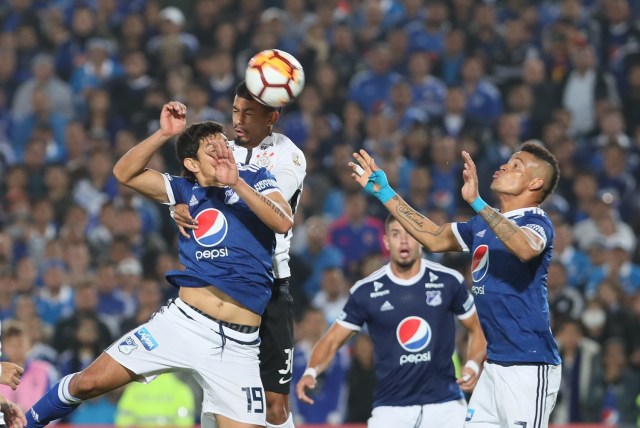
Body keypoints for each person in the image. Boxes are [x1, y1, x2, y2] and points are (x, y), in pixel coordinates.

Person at [25, 102, 294, 428]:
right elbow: (124, 173)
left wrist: (236, 183)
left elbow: (283, 222)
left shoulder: (255, 177)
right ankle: (25, 423)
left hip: (240, 344)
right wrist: (164, 134)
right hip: (184, 323)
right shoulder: (183, 191)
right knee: (89, 382)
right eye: (211, 148)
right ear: (192, 163)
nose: (223, 150)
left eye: (223, 143)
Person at [348, 141, 562, 427]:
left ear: (535, 183)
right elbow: (434, 236)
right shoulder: (481, 225)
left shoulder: (537, 221)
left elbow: (525, 247)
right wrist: (385, 193)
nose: (503, 166)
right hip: (495, 365)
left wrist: (477, 202)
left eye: (515, 166)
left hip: (528, 365)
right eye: (507, 161)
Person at [172, 81, 306, 428]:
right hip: (224, 284)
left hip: (272, 283)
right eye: (235, 110)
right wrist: (179, 205)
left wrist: (231, 183)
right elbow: (189, 187)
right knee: (219, 397)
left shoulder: (287, 156)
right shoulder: (219, 148)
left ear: (272, 117)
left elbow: (272, 213)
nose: (239, 119)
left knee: (275, 406)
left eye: (249, 112)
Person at [296, 215, 486, 428]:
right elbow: (331, 341)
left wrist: (472, 364)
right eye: (396, 235)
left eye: (409, 235)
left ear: (421, 239)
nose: (403, 241)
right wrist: (311, 372)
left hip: (446, 404)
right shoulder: (365, 291)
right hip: (391, 408)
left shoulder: (449, 281)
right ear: (386, 242)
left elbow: (476, 327)